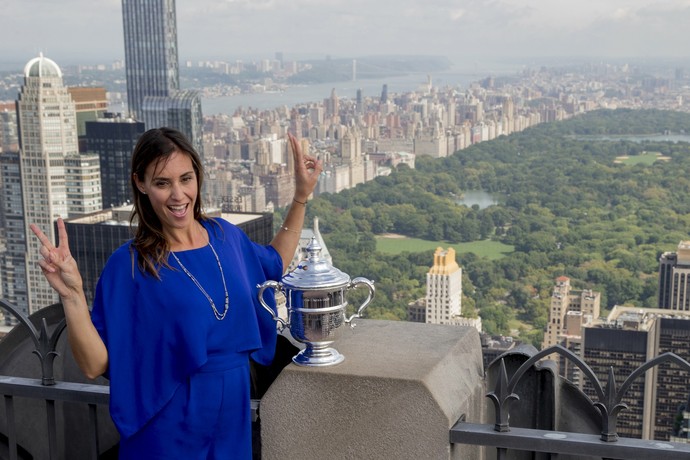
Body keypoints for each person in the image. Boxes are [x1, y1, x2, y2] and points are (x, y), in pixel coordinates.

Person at [30, 127, 322, 459]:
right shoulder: (130, 265)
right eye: (162, 183)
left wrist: (300, 197)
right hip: (168, 427)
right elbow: (94, 364)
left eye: (186, 179)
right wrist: (72, 296)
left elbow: (274, 263)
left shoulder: (226, 237)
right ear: (141, 184)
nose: (178, 195)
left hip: (232, 419)